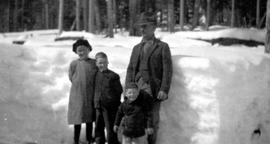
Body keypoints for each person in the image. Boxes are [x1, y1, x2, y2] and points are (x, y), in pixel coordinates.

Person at [125, 12, 173, 144]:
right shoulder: (136, 48)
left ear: (154, 27)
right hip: (136, 89)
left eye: (145, 26)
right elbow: (130, 69)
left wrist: (164, 89)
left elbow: (167, 70)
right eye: (140, 27)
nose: (142, 29)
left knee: (152, 119)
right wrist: (127, 88)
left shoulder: (162, 47)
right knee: (135, 117)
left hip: (154, 89)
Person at [68, 39, 97, 144]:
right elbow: (71, 77)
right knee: (78, 117)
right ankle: (76, 139)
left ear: (89, 50)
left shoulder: (94, 63)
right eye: (79, 50)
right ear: (76, 52)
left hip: (90, 93)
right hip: (77, 94)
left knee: (90, 117)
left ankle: (89, 138)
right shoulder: (74, 64)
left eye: (84, 50)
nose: (81, 52)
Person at [94, 52, 123, 144]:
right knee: (98, 127)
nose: (102, 65)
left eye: (104, 62)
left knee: (110, 128)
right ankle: (99, 141)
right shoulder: (96, 75)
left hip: (109, 108)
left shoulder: (113, 76)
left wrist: (112, 102)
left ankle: (112, 142)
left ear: (108, 62)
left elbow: (119, 91)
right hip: (98, 105)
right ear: (96, 64)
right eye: (100, 63)